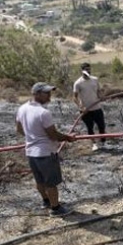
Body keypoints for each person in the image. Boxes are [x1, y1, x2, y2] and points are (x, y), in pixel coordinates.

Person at [16, 82, 77, 216]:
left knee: (40, 180)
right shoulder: (44, 113)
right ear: (36, 94)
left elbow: (19, 129)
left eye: (50, 92)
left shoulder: (22, 109)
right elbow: (53, 135)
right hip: (45, 153)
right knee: (51, 183)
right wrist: (68, 137)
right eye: (46, 93)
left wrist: (32, 137)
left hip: (31, 152)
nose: (49, 96)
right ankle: (56, 209)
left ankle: (46, 201)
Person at [73, 63, 106, 151]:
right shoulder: (78, 83)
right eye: (86, 70)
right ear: (82, 71)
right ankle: (94, 144)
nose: (88, 71)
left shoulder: (95, 80)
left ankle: (103, 142)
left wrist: (101, 96)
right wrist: (81, 107)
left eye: (89, 69)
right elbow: (75, 97)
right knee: (90, 127)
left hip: (97, 108)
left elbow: (99, 91)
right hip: (86, 110)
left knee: (101, 126)